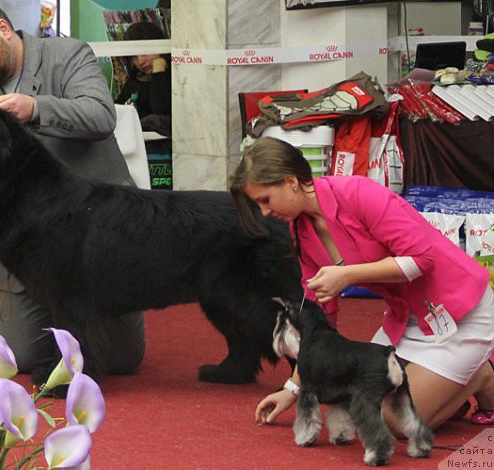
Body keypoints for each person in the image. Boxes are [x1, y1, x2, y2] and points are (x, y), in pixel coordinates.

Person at [230, 137, 494, 429]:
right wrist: (291, 389)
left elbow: (421, 260)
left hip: (461, 312)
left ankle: (481, 374)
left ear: (291, 182)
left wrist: (348, 274)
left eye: (265, 200)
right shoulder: (301, 231)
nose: (265, 212)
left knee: (394, 423)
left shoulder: (359, 192)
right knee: (359, 402)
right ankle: (449, 388)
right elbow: (318, 321)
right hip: (407, 319)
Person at [0, 0, 145, 378]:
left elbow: (101, 116)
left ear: (4, 29)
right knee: (21, 356)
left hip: (98, 234)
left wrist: (36, 108)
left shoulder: (67, 55)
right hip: (28, 244)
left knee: (122, 359)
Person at [115, 21, 171, 137]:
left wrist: (159, 71)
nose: (140, 61)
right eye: (134, 57)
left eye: (144, 53)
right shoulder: (136, 80)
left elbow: (161, 110)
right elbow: (116, 112)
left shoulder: (177, 77)